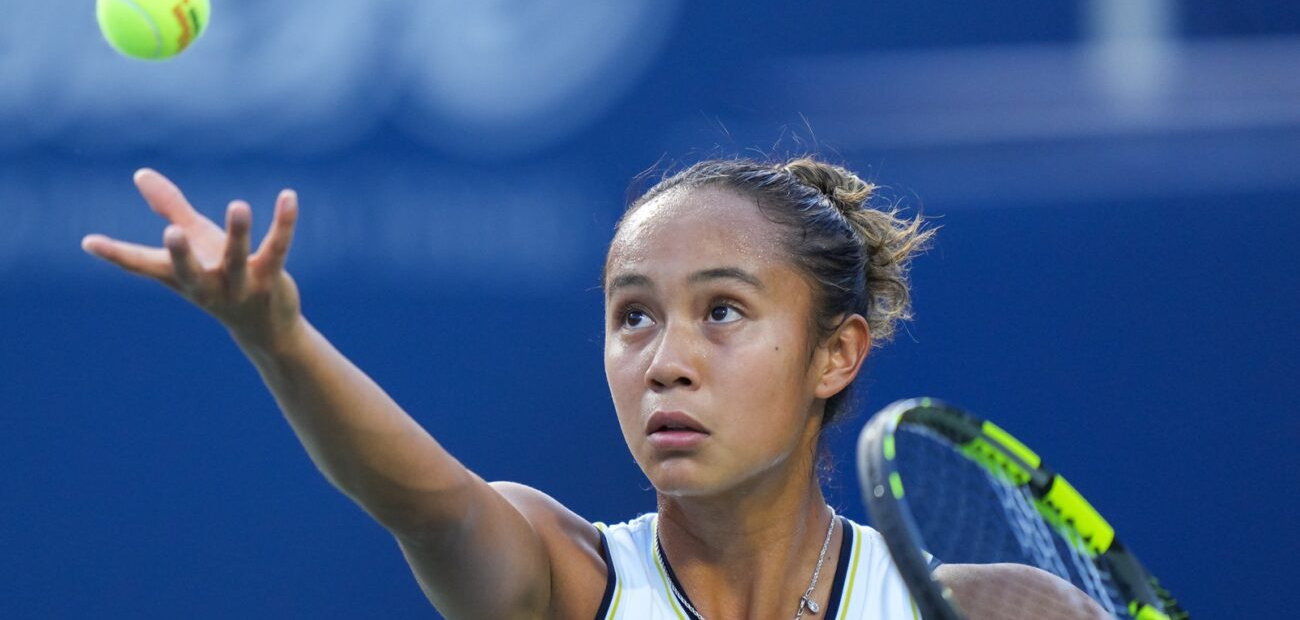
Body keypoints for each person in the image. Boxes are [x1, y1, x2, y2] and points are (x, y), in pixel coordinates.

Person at [81, 158, 1106, 620]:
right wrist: (278, 337)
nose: (665, 358)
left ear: (833, 356)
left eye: (723, 312)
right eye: (631, 315)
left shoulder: (1000, 615)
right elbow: (420, 501)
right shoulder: (565, 584)